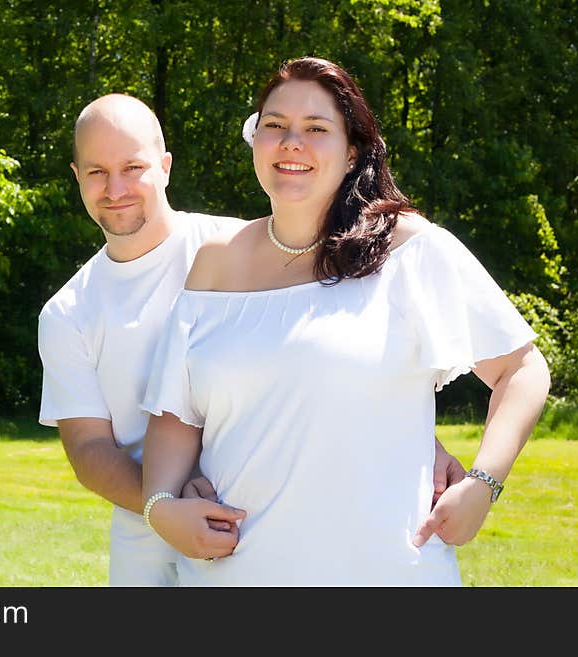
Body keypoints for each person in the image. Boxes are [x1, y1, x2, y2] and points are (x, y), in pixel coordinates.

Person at [140, 57, 550, 586]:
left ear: (352, 150)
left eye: (316, 128)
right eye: (275, 126)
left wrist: (483, 484)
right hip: (234, 576)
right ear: (256, 140)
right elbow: (176, 415)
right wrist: (160, 507)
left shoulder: (408, 249)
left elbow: (522, 369)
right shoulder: (215, 263)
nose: (292, 142)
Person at [38, 92, 465, 586]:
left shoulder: (235, 251)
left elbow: (330, 353)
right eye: (96, 172)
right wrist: (167, 506)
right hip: (147, 554)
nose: (116, 188)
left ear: (165, 166)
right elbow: (89, 451)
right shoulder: (68, 312)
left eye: (133, 166)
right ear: (76, 176)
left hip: (268, 537)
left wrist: (422, 444)